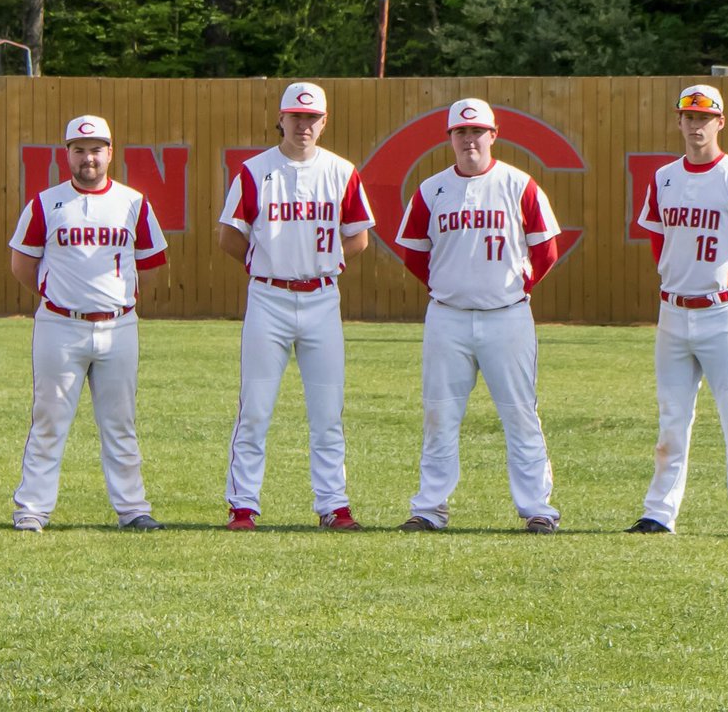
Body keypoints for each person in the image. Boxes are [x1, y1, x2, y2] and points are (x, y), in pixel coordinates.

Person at [395, 98, 562, 534]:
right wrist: (445, 286)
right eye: (460, 132)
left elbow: (545, 250)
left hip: (506, 315)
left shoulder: (519, 184)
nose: (469, 139)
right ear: (450, 138)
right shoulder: (432, 189)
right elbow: (413, 253)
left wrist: (516, 288)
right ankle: (430, 508)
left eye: (477, 131)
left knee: (520, 412)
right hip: (447, 316)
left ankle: (538, 508)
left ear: (493, 134)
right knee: (438, 414)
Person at [217, 81, 375, 531]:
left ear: (324, 122)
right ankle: (243, 505)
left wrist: (323, 262)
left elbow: (358, 235)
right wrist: (263, 261)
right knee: (257, 407)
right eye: (295, 117)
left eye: (312, 118)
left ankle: (333, 504)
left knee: (327, 410)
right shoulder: (254, 170)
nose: (303, 125)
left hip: (322, 296)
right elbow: (229, 234)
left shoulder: (341, 171)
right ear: (281, 119)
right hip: (269, 295)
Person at [628, 84, 728, 540]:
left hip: (720, 311)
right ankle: (659, 512)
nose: (696, 125)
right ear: (678, 121)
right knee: (671, 419)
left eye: (704, 118)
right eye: (689, 117)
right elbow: (658, 238)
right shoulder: (664, 177)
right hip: (672, 311)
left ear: (720, 122)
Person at [9, 114, 168, 532]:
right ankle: (32, 509)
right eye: (79, 150)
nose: (88, 158)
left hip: (118, 325)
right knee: (48, 418)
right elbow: (22, 264)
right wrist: (58, 294)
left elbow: (152, 265)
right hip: (60, 324)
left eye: (96, 149)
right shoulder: (46, 203)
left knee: (120, 422)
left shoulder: (133, 202)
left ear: (110, 152)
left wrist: (124, 300)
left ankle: (133, 508)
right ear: (67, 154)